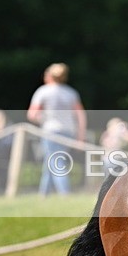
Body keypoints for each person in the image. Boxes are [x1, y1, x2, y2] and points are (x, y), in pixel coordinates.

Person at [27, 63, 87, 196]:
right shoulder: (71, 92)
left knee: (55, 161)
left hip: (51, 131)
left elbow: (32, 114)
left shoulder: (43, 91)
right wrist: (80, 136)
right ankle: (43, 194)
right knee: (51, 161)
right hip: (69, 131)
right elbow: (80, 115)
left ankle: (65, 193)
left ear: (49, 76)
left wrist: (42, 119)